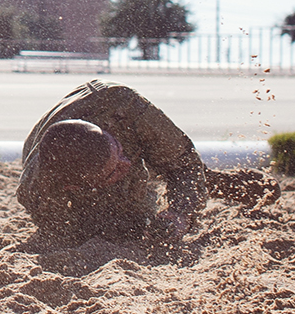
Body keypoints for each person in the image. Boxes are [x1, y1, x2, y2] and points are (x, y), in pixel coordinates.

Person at [16, 79, 279, 247]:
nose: (126, 164)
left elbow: (183, 162)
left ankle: (212, 182)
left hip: (124, 127)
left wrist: (180, 213)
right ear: (74, 187)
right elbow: (66, 233)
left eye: (118, 153)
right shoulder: (37, 189)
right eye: (114, 171)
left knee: (177, 171)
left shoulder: (127, 107)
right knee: (119, 225)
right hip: (73, 168)